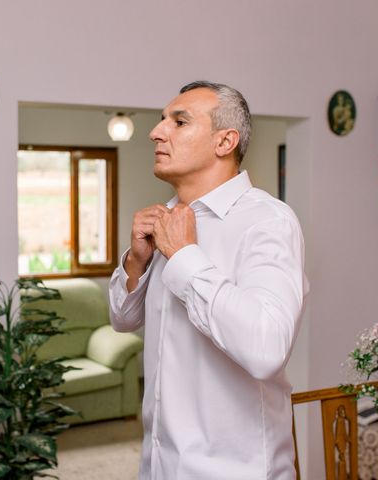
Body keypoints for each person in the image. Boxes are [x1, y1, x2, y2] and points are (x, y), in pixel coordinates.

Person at [108, 80, 308, 479]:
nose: (156, 131)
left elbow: (266, 347)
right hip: (160, 465)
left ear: (225, 142)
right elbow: (122, 319)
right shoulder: (166, 219)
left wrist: (184, 257)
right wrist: (136, 262)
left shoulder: (267, 221)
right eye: (162, 120)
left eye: (179, 121)